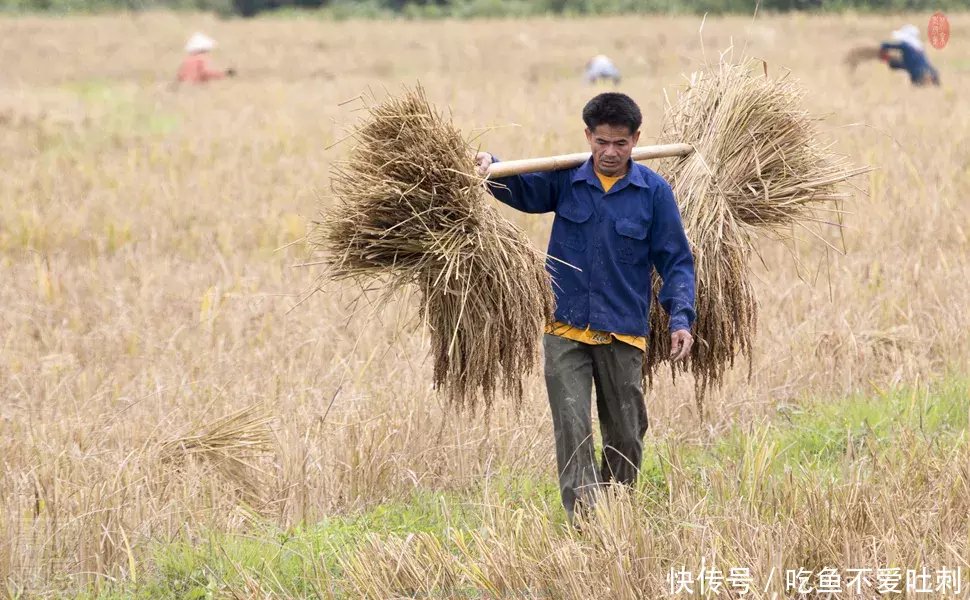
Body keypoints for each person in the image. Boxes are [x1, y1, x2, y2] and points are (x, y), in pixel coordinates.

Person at [475, 93, 696, 525]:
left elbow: (676, 261)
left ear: (636, 139)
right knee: (573, 432)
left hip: (622, 332)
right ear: (587, 137)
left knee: (627, 435)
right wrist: (489, 167)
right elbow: (521, 187)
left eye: (620, 143)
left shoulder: (653, 193)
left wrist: (681, 317)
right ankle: (588, 526)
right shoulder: (566, 181)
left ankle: (618, 511)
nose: (610, 153)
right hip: (565, 329)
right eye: (601, 143)